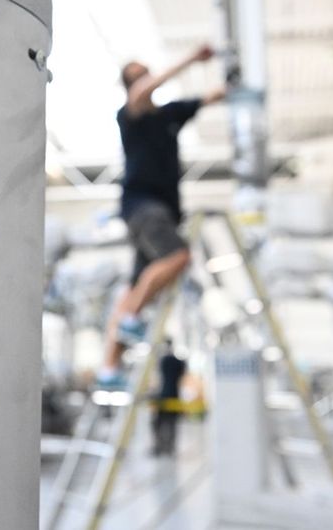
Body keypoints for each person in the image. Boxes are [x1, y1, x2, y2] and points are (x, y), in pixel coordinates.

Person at [96, 45, 225, 389]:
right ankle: (129, 318)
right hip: (143, 207)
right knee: (177, 256)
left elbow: (210, 97)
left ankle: (109, 367)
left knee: (135, 287)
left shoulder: (169, 115)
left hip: (161, 212)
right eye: (138, 77)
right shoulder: (129, 116)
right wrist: (191, 58)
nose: (146, 81)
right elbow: (141, 93)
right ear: (130, 86)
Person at [151, 343, 187, 457]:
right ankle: (169, 448)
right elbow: (183, 373)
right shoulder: (179, 362)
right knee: (171, 424)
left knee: (158, 423)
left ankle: (159, 447)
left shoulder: (163, 361)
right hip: (174, 395)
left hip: (162, 395)